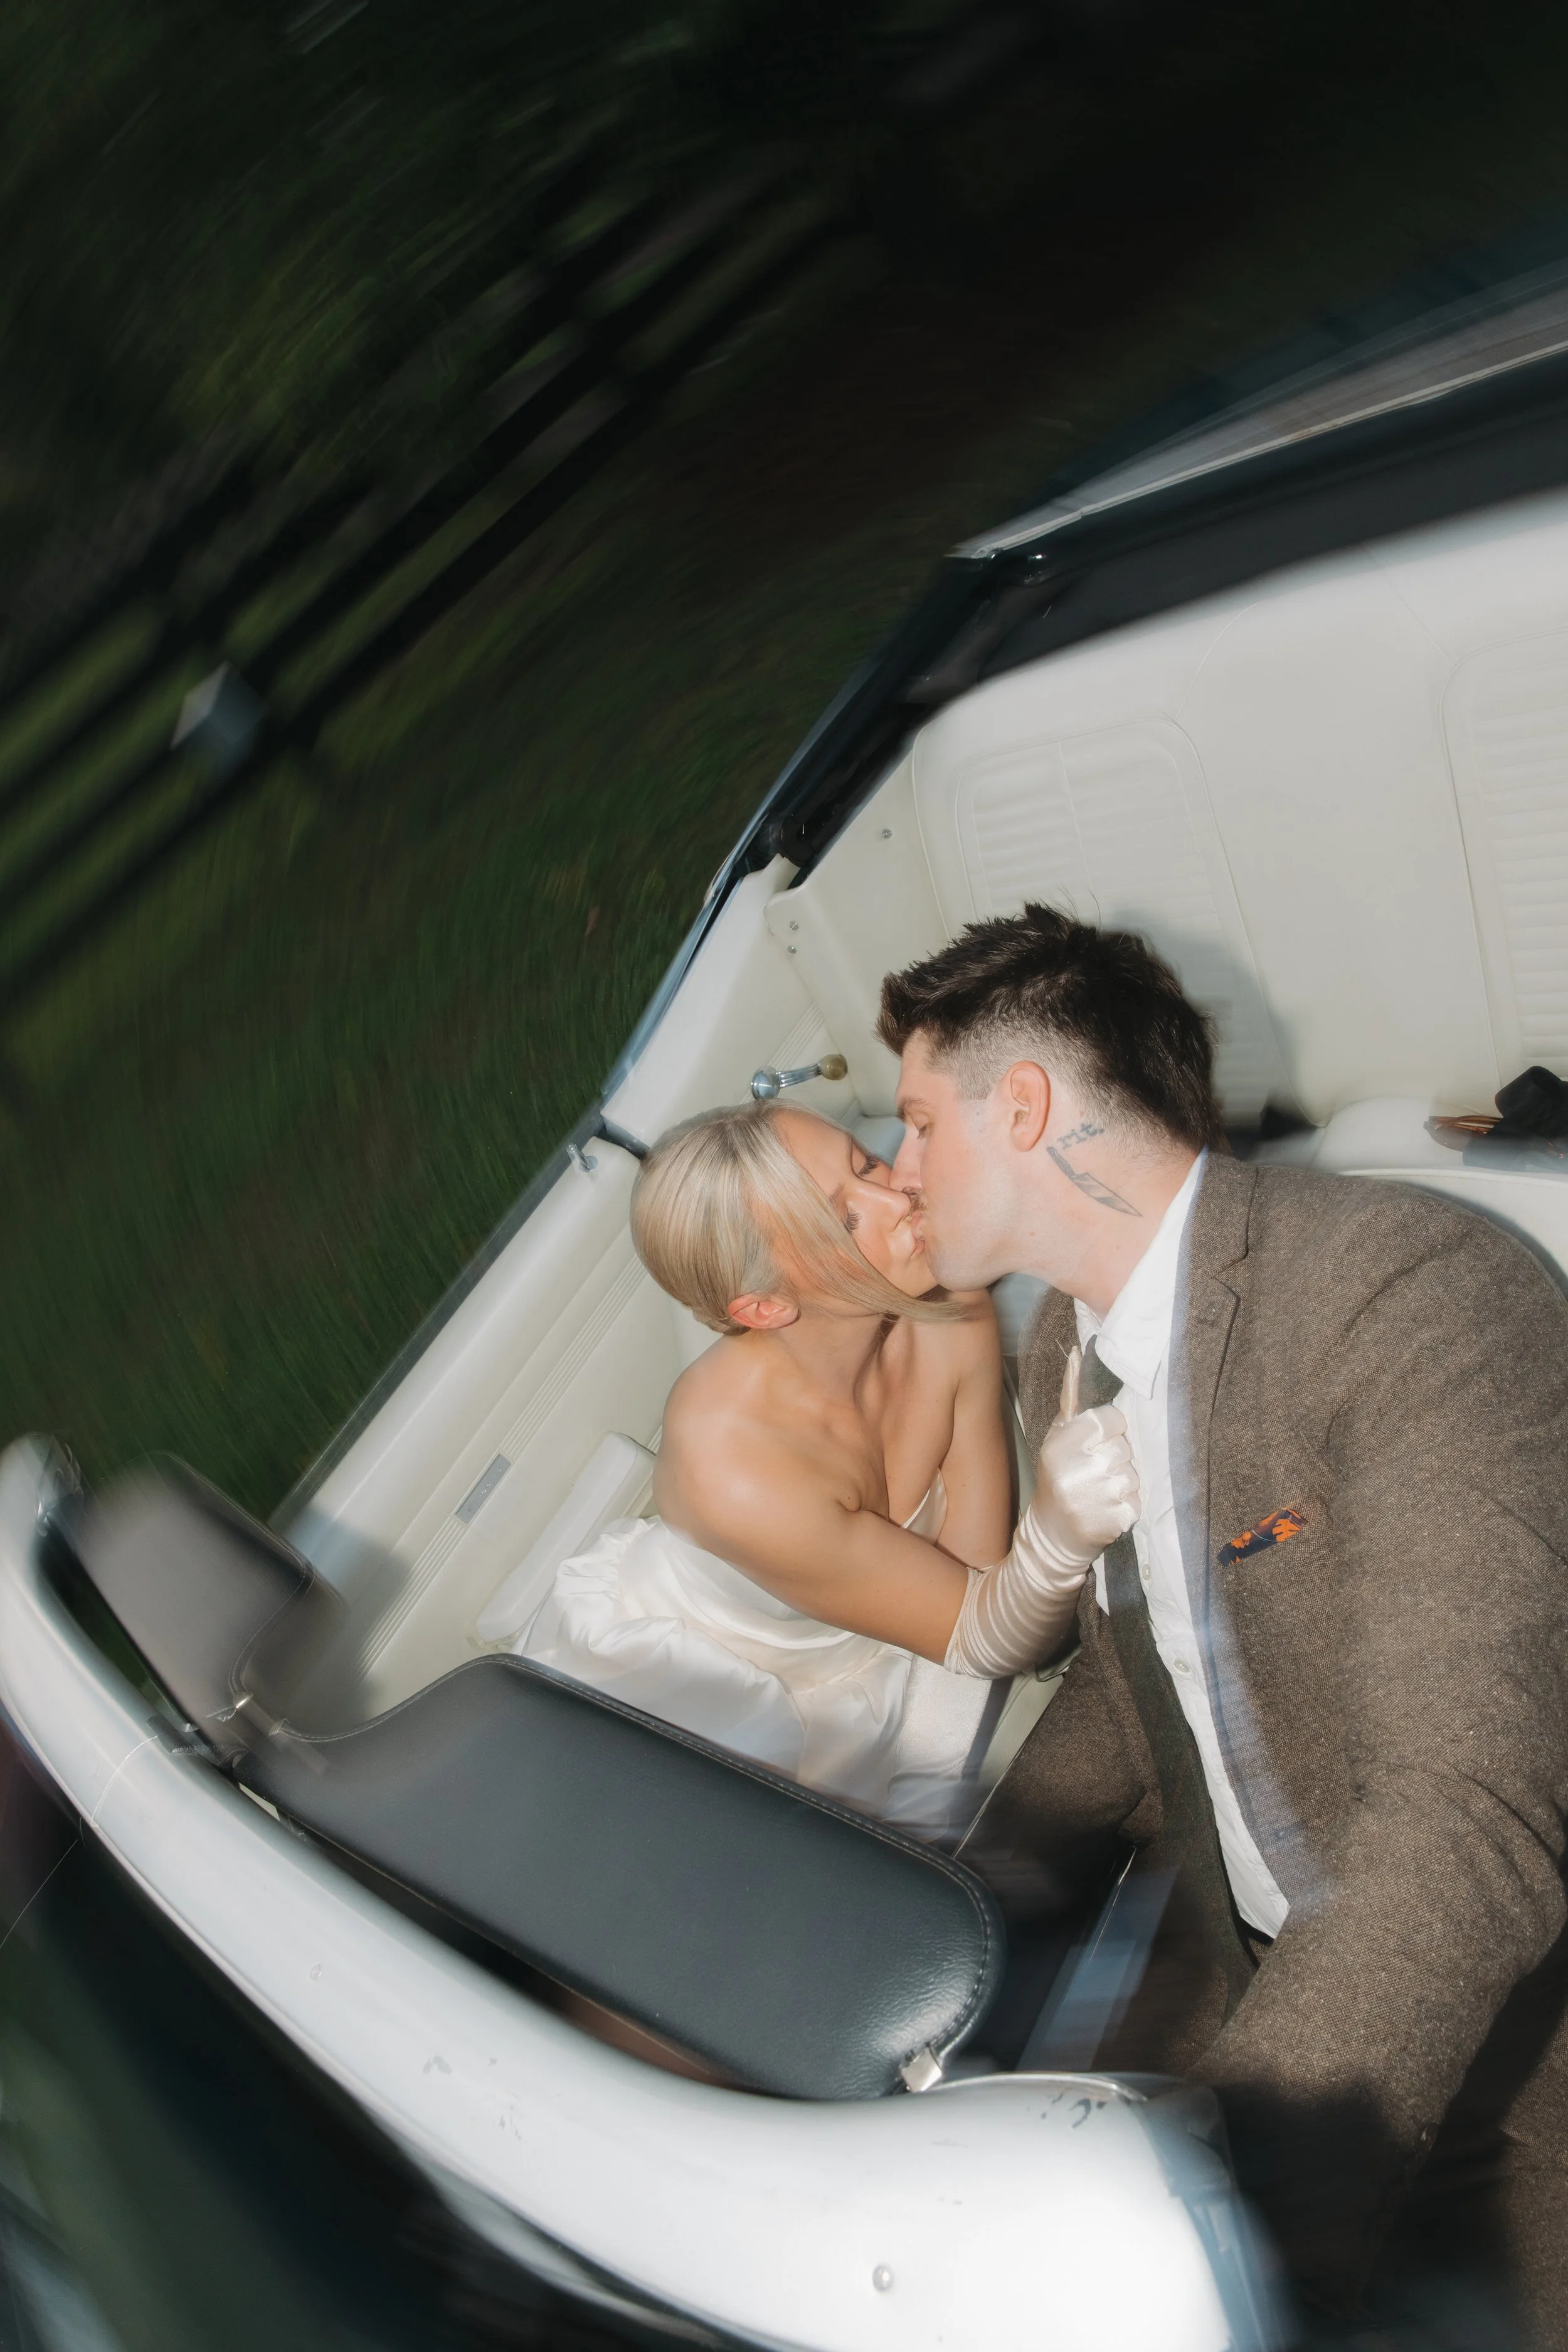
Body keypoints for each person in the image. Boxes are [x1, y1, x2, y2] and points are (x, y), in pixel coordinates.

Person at [878, 901, 1568, 2339]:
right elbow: (1139, 1680)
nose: (896, 1173)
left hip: (1518, 2049)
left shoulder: (1409, 1297)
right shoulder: (1069, 1341)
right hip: (1266, 1965)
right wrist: (948, 1919)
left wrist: (1232, 2218)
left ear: (1025, 1106)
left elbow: (1470, 1832)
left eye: (916, 1126)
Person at [519, 1098, 1137, 1828]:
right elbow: (979, 1635)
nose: (895, 1197)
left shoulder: (947, 1300)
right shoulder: (737, 1472)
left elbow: (975, 1568)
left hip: (899, 1637)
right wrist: (1061, 1531)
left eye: (864, 1162)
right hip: (687, 1691)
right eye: (843, 1219)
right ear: (765, 1308)